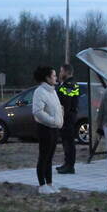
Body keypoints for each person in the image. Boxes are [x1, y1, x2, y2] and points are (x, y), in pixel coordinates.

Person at [31, 65, 63, 194]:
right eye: (54, 75)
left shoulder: (52, 91)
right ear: (47, 78)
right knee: (43, 156)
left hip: (54, 129)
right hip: (45, 129)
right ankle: (42, 185)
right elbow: (38, 112)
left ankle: (49, 183)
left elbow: (56, 108)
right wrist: (52, 121)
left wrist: (60, 119)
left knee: (50, 157)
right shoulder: (40, 91)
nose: (56, 77)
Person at [56, 64, 80, 175]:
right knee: (66, 142)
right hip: (68, 117)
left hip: (67, 118)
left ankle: (70, 166)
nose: (60, 74)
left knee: (69, 142)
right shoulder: (67, 84)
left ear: (67, 72)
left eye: (61, 71)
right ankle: (67, 164)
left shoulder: (69, 85)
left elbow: (66, 102)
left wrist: (62, 117)